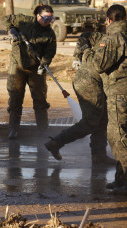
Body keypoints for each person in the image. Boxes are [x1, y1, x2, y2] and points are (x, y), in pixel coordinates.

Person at [43, 31, 114, 164]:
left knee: (102, 119)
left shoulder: (113, 37)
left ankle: (99, 155)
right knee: (91, 121)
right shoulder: (115, 37)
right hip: (89, 81)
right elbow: (84, 35)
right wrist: (77, 56)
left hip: (96, 80)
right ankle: (56, 142)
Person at [82, 4, 127, 195]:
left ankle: (124, 183)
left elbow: (99, 65)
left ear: (109, 20)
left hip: (119, 94)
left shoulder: (113, 38)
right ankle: (120, 180)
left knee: (119, 138)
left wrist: (87, 52)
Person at [1, 5, 57, 139]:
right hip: (18, 66)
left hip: (36, 70)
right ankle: (13, 129)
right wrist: (12, 30)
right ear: (38, 16)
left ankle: (43, 131)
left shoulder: (50, 34)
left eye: (51, 18)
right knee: (15, 99)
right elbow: (5, 19)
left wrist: (44, 63)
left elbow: (50, 52)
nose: (48, 21)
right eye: (46, 18)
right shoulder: (24, 21)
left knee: (40, 101)